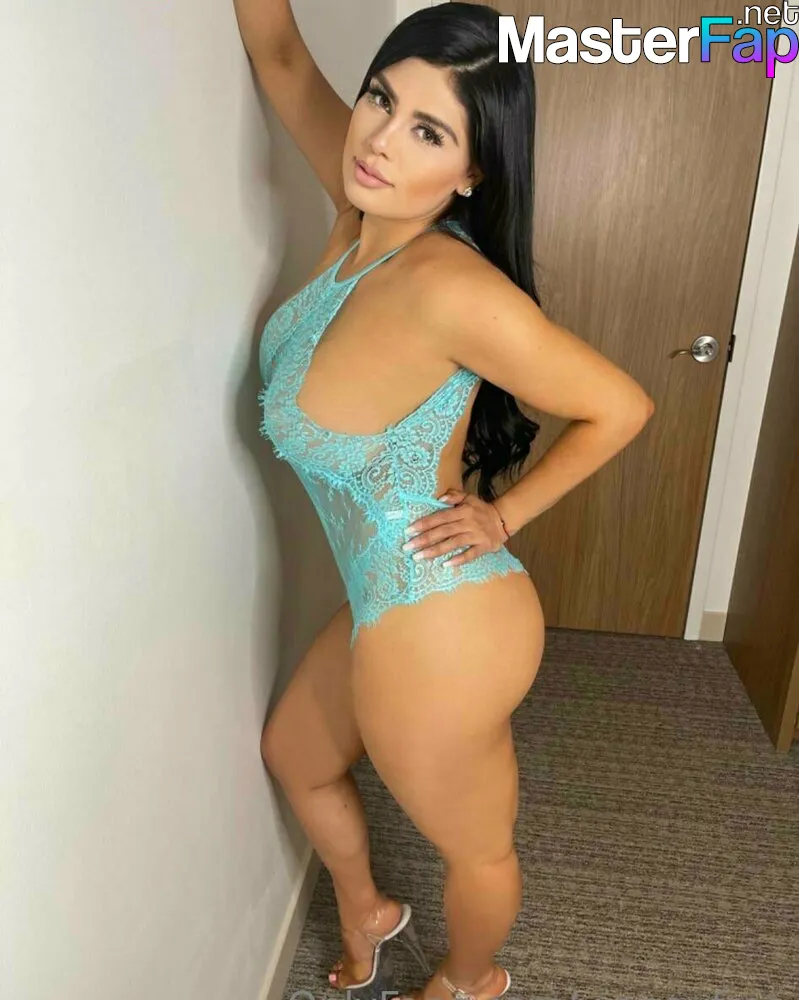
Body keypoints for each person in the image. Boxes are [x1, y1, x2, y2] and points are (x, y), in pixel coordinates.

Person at [231, 3, 655, 999]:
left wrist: (505, 515)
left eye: (429, 130)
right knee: (296, 753)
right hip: (386, 594)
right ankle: (368, 912)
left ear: (470, 171)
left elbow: (620, 406)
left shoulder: (449, 288)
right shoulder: (365, 210)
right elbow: (279, 54)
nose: (380, 138)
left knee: (476, 846)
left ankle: (470, 981)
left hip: (446, 620)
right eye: (381, 98)